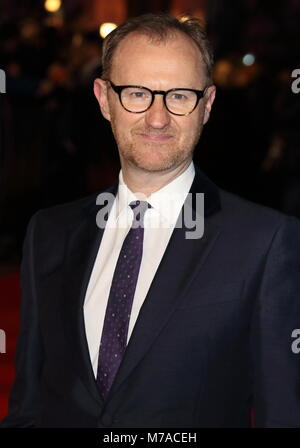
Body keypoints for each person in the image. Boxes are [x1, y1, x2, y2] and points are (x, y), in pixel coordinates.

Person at [1, 13, 300, 429]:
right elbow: (28, 409)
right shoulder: (49, 233)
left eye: (179, 96)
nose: (158, 119)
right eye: (137, 93)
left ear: (207, 105)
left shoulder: (266, 242)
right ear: (104, 98)